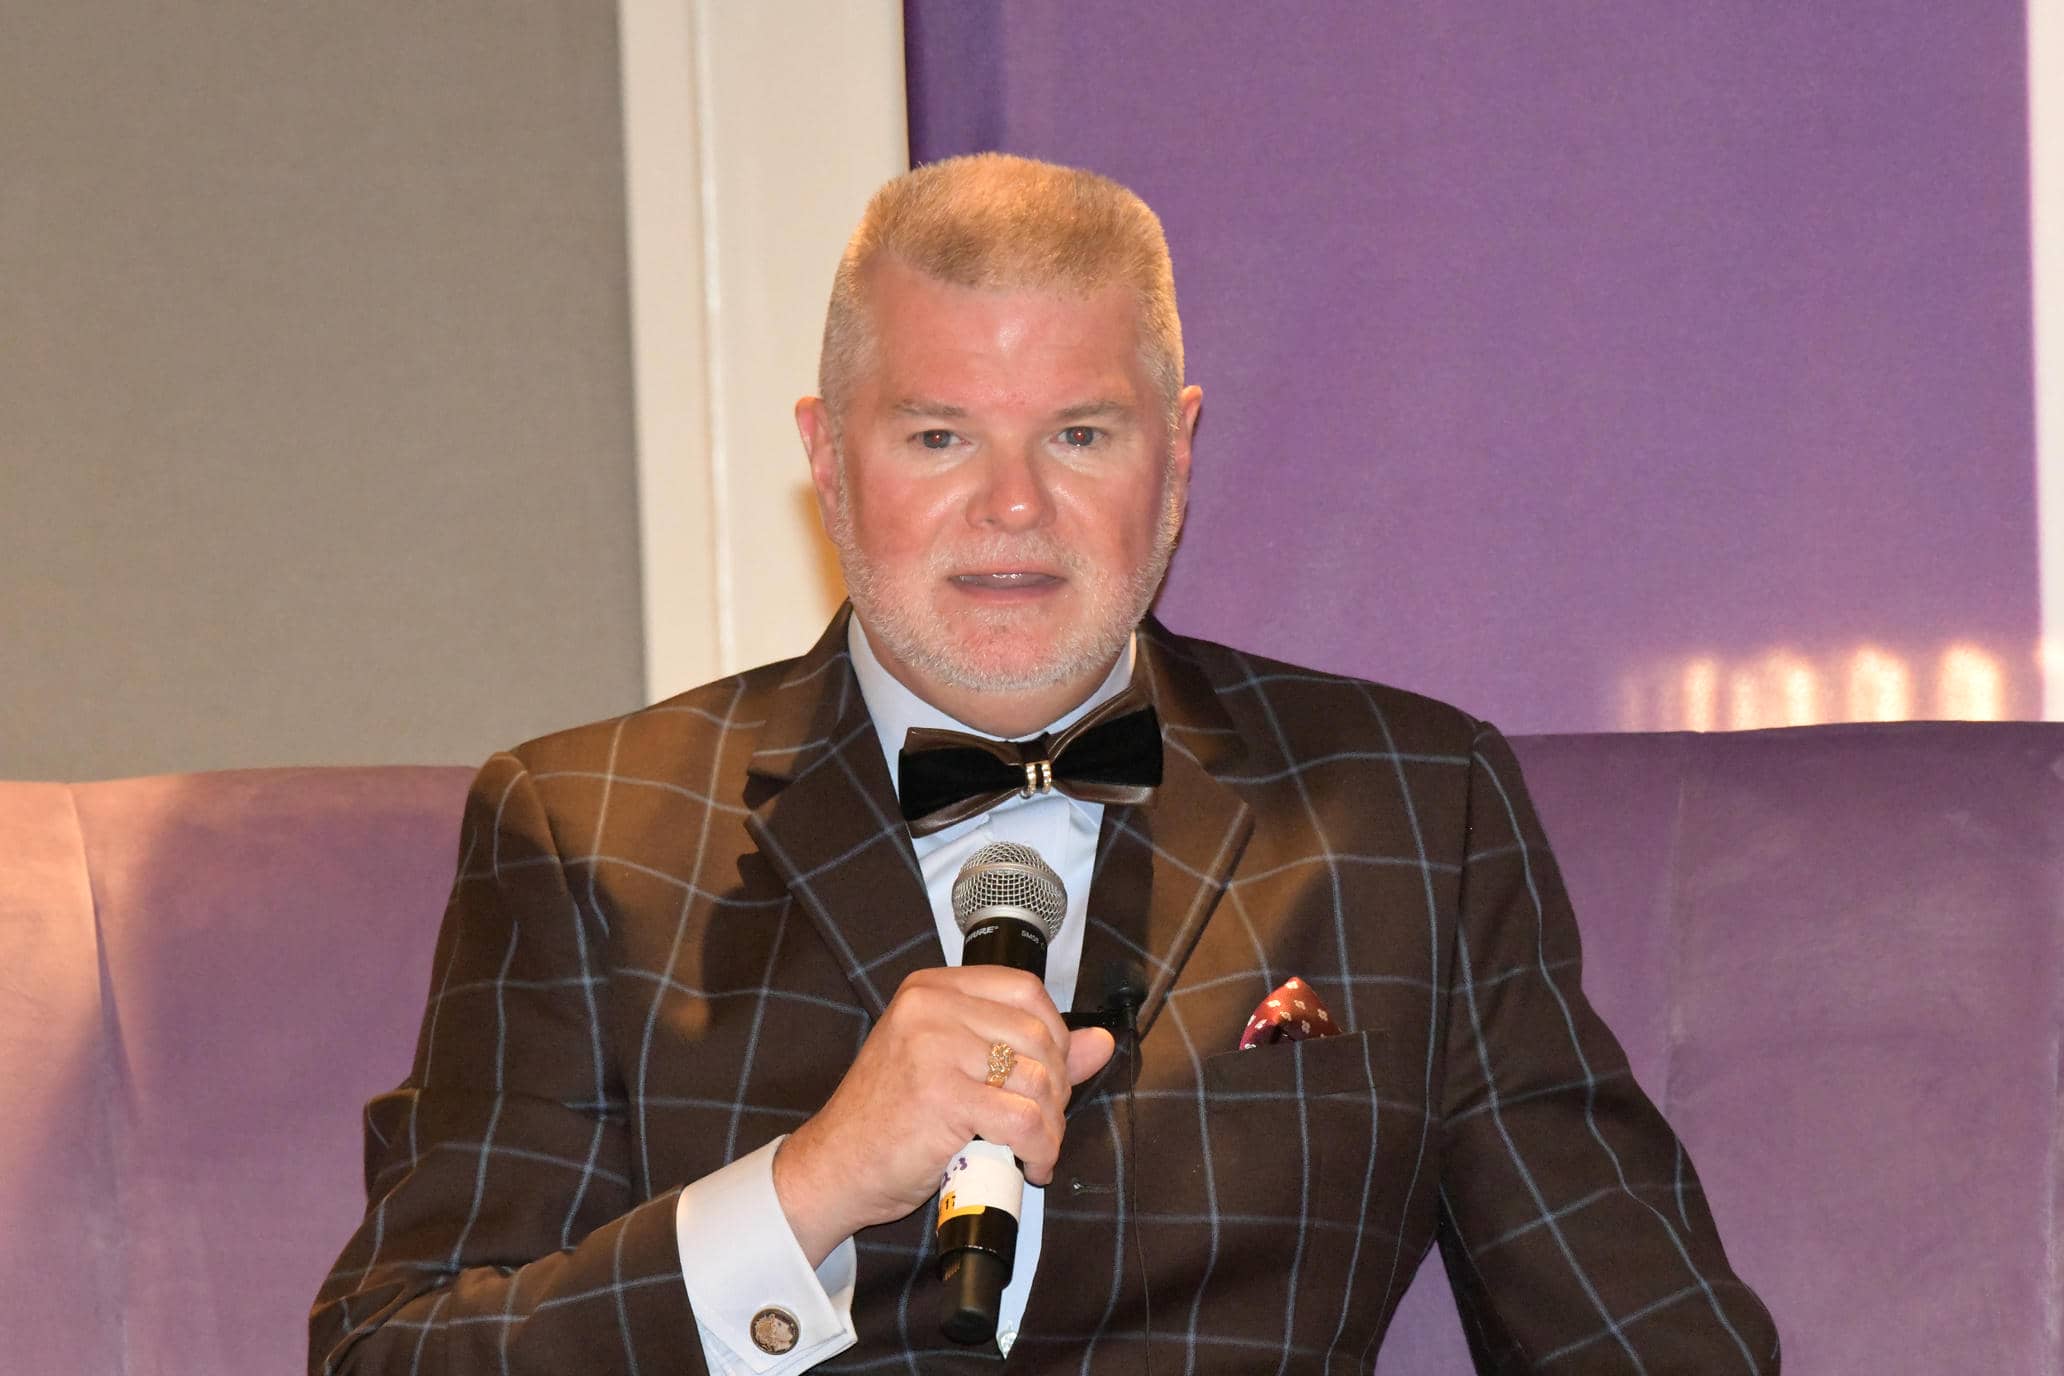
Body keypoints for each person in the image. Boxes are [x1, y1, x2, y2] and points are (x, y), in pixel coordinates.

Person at [311, 153, 1779, 1374]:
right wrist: (813, 1185)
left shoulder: (1410, 806)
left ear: (1177, 458)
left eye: (1079, 434)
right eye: (938, 435)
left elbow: (1644, 1337)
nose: (1012, 506)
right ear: (828, 462)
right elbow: (397, 1353)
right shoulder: (585, 828)